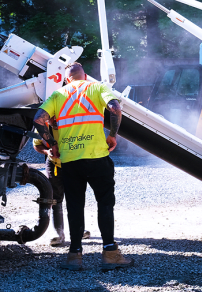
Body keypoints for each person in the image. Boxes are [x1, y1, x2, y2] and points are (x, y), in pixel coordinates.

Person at [33, 62, 132, 271]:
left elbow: (38, 119)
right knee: (105, 203)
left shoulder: (58, 95)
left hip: (70, 160)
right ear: (85, 76)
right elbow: (115, 107)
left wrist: (51, 144)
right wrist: (112, 135)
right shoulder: (97, 87)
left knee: (75, 206)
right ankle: (110, 252)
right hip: (97, 157)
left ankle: (74, 256)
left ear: (67, 79)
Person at [32, 134, 91, 247]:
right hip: (54, 164)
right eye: (50, 119)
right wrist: (46, 151)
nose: (53, 121)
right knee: (55, 198)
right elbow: (37, 145)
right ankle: (58, 232)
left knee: (75, 197)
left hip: (74, 162)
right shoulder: (41, 124)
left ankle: (78, 230)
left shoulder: (68, 120)